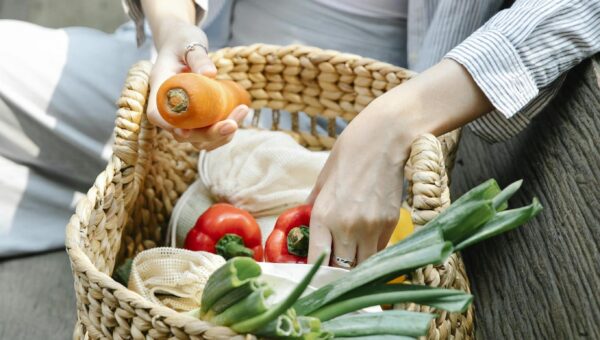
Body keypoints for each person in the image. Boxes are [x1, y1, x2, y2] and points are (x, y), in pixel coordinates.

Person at [0, 0, 598, 263]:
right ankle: (114, 204)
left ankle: (105, 206)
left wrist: (394, 124)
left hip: (352, 139)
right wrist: (171, 28)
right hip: (203, 73)